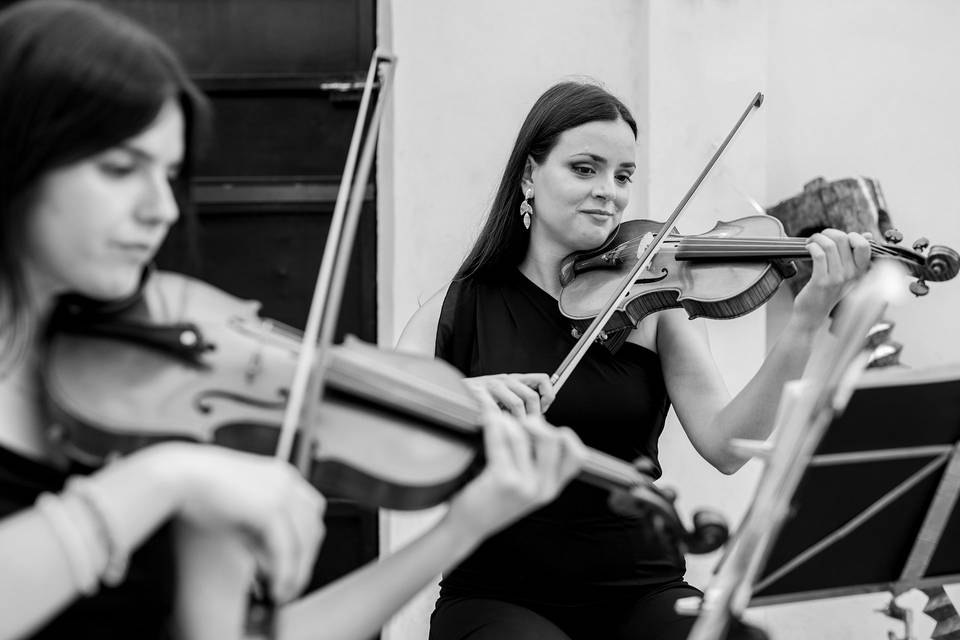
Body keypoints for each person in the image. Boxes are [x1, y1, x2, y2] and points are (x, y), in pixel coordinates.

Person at [0, 2, 586, 639]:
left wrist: (460, 529)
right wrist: (165, 478)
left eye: (168, 174)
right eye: (119, 169)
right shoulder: (171, 459)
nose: (163, 208)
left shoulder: (162, 393)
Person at [398, 81, 872, 639]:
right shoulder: (456, 310)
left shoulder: (651, 303)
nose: (610, 193)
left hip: (643, 591)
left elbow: (727, 445)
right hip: (499, 596)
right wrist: (463, 399)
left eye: (623, 176)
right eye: (585, 169)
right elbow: (392, 437)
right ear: (529, 174)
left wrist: (807, 321)